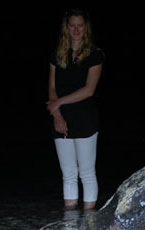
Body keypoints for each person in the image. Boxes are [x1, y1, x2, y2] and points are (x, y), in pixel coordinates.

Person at [47, 9, 105, 210]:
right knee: (68, 175)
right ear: (67, 28)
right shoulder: (57, 55)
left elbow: (89, 90)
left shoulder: (95, 55)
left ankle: (89, 222)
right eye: (72, 25)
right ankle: (70, 223)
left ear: (86, 28)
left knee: (87, 173)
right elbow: (52, 89)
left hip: (84, 118)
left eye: (80, 25)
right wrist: (57, 115)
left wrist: (59, 102)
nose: (76, 29)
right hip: (61, 118)